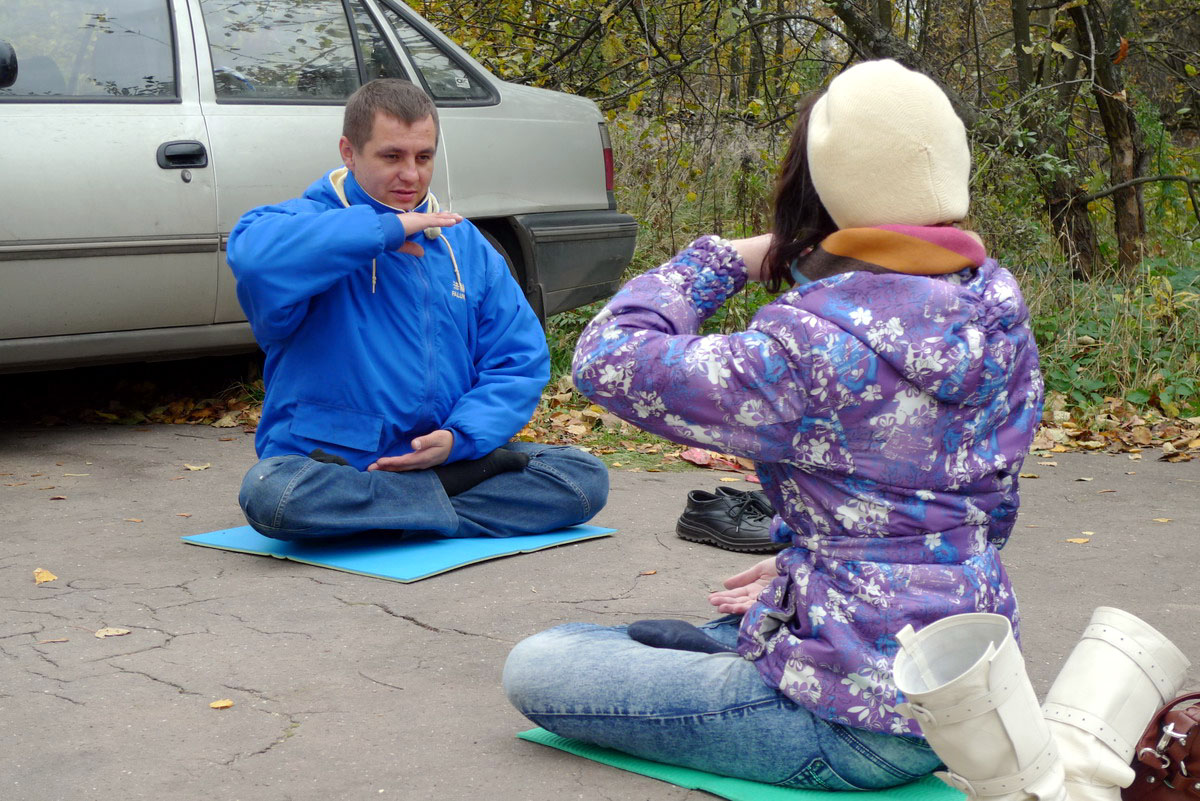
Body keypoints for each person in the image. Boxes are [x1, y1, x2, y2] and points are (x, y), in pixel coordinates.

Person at [503, 60, 1044, 790]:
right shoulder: (999, 309)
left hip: (854, 722)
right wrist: (820, 559)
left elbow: (607, 357)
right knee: (691, 628)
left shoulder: (810, 348)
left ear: (823, 188)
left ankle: (740, 656)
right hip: (969, 695)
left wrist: (724, 259)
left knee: (543, 661)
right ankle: (753, 635)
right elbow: (970, 510)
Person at [227, 78, 608, 541]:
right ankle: (432, 507)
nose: (411, 175)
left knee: (581, 480)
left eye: (423, 157)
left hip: (445, 459)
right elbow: (255, 260)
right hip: (330, 465)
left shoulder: (465, 244)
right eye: (392, 157)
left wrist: (459, 438)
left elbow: (517, 361)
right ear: (349, 152)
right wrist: (383, 231)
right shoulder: (299, 222)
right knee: (274, 495)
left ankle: (387, 514)